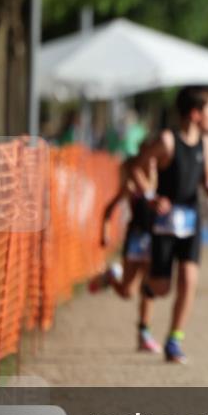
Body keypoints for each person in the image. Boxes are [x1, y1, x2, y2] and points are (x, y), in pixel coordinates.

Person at [137, 86, 208, 364]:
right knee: (162, 288)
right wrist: (151, 196)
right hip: (164, 222)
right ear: (196, 114)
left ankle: (174, 340)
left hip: (191, 220)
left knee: (188, 279)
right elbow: (137, 167)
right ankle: (146, 284)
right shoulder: (167, 140)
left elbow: (206, 179)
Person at [88, 142, 161, 353]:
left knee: (149, 286)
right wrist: (104, 232)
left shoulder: (163, 180)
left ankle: (144, 333)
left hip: (155, 238)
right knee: (128, 292)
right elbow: (109, 209)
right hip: (135, 238)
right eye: (150, 160)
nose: (153, 164)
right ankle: (111, 277)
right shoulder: (132, 186)